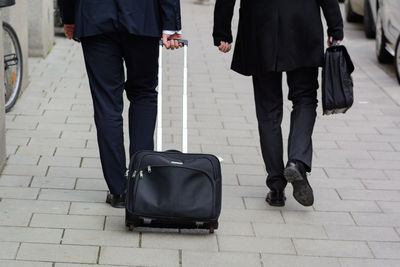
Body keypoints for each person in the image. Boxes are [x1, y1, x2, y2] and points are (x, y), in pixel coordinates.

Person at [213, 0, 343, 207]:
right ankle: (297, 161)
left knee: (268, 109)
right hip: (302, 23)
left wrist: (222, 31)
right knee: (305, 98)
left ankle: (276, 186)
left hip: (260, 25)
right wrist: (335, 26)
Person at [59, 0, 183, 208]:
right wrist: (170, 23)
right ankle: (140, 181)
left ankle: (118, 190)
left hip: (95, 17)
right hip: (143, 17)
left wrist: (70, 17)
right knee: (143, 94)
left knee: (106, 103)